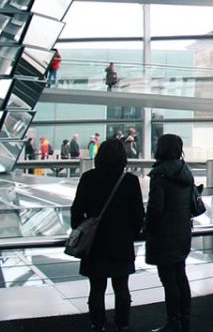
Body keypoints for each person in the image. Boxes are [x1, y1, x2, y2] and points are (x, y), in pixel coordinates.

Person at [70, 138, 144, 332]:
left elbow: (77, 209)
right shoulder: (129, 180)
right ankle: (122, 324)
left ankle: (97, 324)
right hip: (121, 241)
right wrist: (133, 233)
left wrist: (80, 229)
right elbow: (138, 214)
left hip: (95, 242)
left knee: (96, 288)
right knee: (122, 287)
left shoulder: (88, 178)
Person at [146, 134, 196, 332]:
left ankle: (173, 321)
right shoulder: (185, 171)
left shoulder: (160, 174)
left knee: (168, 280)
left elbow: (155, 208)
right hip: (183, 230)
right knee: (180, 276)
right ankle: (185, 320)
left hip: (164, 233)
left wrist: (147, 227)